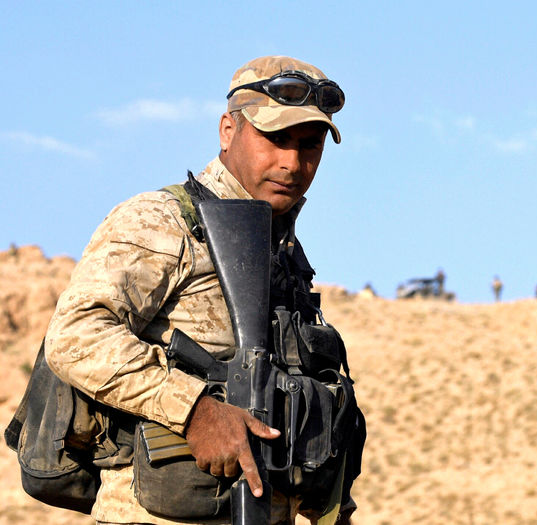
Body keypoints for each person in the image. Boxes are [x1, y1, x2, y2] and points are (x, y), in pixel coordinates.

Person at [44, 56, 357, 525]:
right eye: (274, 139)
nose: (292, 162)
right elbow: (74, 335)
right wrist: (193, 410)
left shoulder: (286, 255)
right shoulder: (162, 221)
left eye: (309, 145)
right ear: (228, 130)